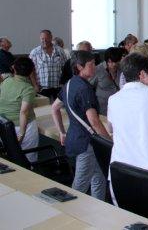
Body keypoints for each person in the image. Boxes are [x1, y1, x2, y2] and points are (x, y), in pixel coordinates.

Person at [52, 50, 110, 200]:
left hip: (75, 137)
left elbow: (55, 107)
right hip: (87, 142)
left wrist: (61, 132)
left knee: (99, 177)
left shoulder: (69, 84)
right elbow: (94, 121)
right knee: (79, 186)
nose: (94, 67)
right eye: (91, 64)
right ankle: (70, 210)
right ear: (79, 67)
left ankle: (98, 206)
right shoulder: (85, 89)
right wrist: (109, 141)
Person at [0, 57, 39, 161]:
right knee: (29, 158)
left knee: (11, 156)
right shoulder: (28, 88)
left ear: (14, 68)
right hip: (22, 128)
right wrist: (21, 134)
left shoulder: (6, 81)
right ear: (31, 71)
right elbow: (24, 112)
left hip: (4, 126)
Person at [29, 29, 67, 102]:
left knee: (59, 107)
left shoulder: (60, 51)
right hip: (42, 88)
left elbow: (65, 68)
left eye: (46, 38)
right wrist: (35, 85)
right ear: (40, 39)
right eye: (42, 39)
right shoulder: (35, 52)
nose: (44, 41)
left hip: (58, 87)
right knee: (44, 107)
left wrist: (64, 83)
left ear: (51, 38)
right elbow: (30, 70)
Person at [90, 47, 125, 117]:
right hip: (102, 107)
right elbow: (88, 86)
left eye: (116, 61)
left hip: (118, 106)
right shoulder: (98, 70)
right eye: (111, 62)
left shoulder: (121, 68)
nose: (114, 64)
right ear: (106, 60)